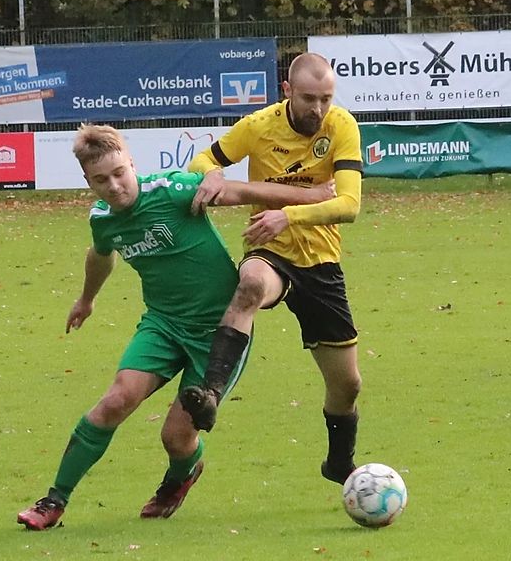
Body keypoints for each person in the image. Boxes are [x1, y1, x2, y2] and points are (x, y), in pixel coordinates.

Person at [17, 123, 333, 530]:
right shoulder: (102, 219)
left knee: (175, 437)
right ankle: (54, 501)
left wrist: (311, 198)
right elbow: (101, 255)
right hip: (162, 326)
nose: (114, 186)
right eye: (101, 180)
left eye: (119, 173)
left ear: (132, 163)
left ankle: (181, 474)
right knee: (115, 401)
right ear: (87, 181)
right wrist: (87, 299)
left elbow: (248, 192)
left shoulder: (174, 190)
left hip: (219, 331)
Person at [184, 52, 364, 486]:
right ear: (287, 91)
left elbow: (350, 205)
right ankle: (210, 392)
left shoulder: (342, 126)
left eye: (325, 98)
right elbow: (201, 162)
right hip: (271, 250)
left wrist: (288, 214)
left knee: (348, 386)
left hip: (321, 263)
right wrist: (210, 174)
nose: (318, 109)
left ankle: (339, 463)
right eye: (308, 98)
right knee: (249, 284)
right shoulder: (259, 126)